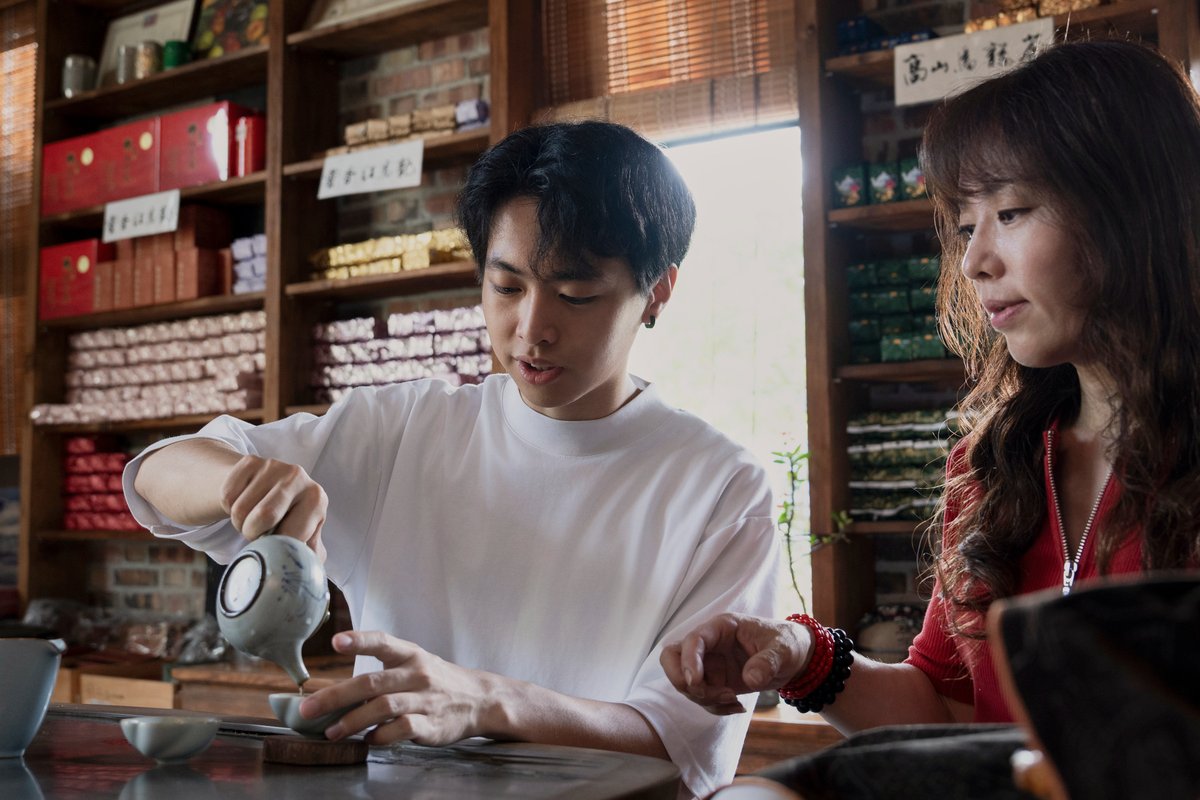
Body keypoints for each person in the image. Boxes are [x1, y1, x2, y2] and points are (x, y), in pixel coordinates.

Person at [123, 120, 779, 798]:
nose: (531, 329)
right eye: (506, 286)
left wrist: (484, 703)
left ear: (658, 293)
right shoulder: (404, 429)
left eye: (575, 294)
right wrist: (237, 479)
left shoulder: (722, 487)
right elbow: (153, 476)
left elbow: (682, 748)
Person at [660, 37, 1200, 736]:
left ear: (1135, 207)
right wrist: (802, 659)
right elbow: (947, 705)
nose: (974, 261)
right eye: (966, 225)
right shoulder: (994, 467)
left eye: (1010, 214)